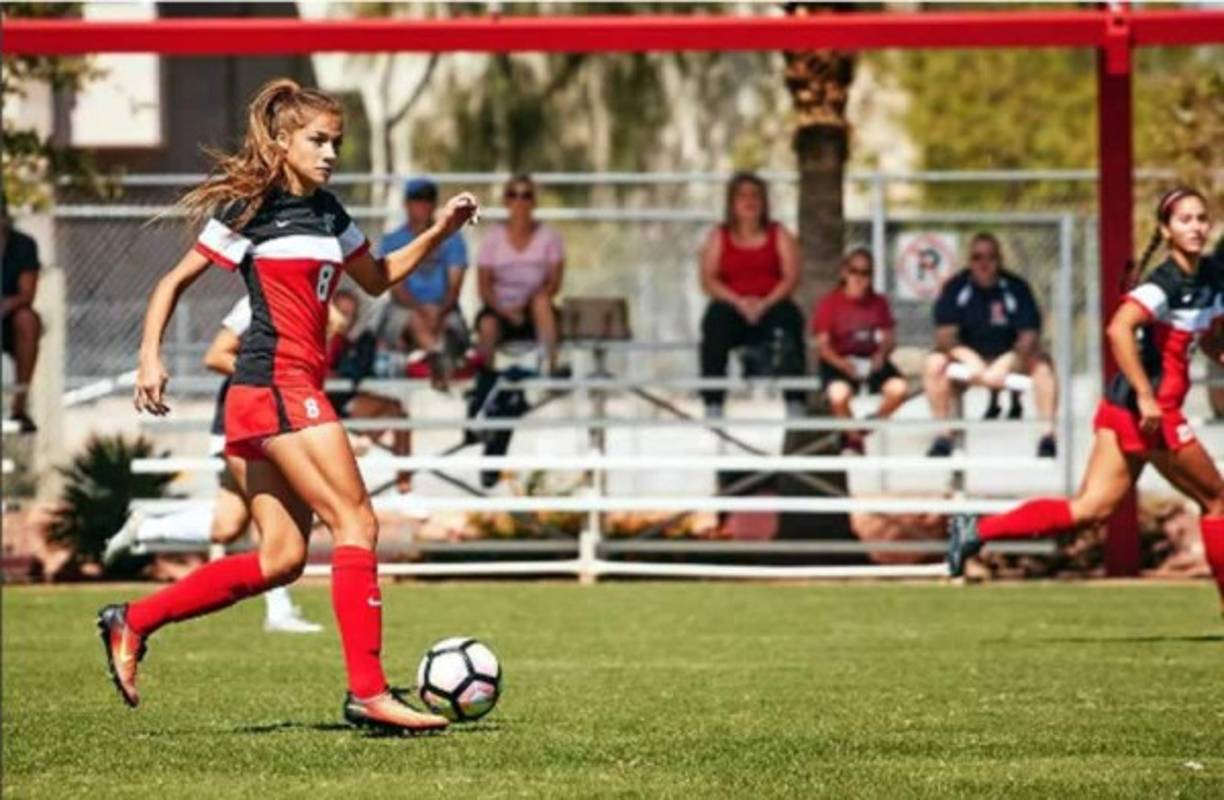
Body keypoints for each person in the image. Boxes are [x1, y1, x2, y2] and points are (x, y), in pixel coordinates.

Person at [95, 78, 478, 733]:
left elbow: (378, 279)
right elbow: (172, 282)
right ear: (282, 141)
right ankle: (369, 692)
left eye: (336, 142)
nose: (330, 152)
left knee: (282, 560)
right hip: (274, 385)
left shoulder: (330, 213)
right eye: (318, 140)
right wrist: (150, 356)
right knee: (357, 523)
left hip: (280, 391)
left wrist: (441, 231)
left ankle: (134, 621)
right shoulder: (252, 211)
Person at [947, 188, 1224, 619]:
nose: (1196, 227)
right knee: (1218, 503)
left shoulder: (1208, 276)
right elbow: (1119, 330)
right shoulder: (1165, 281)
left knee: (1089, 509)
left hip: (1123, 409)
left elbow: (1201, 334)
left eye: (1201, 218)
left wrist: (1216, 350)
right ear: (1166, 231)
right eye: (1185, 220)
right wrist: (1148, 397)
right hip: (1152, 413)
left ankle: (978, 529)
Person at [103, 295, 323, 634]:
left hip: (273, 414)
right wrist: (271, 381)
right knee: (276, 520)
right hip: (251, 418)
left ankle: (146, 529)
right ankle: (279, 611)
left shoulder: (310, 290)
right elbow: (217, 354)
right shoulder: (261, 294)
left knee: (227, 525)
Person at [922, 232, 1058, 458]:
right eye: (977, 257)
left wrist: (1005, 364)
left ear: (999, 259)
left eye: (990, 257)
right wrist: (969, 359)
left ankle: (1047, 436)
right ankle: (943, 436)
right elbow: (945, 336)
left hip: (1010, 359)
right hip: (967, 362)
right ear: (969, 261)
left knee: (1043, 365)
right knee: (933, 362)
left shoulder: (1015, 288)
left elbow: (1029, 335)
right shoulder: (957, 288)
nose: (983, 263)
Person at [698, 172, 804, 415]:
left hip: (771, 306)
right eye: (742, 196)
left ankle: (795, 402)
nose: (749, 201)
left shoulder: (779, 233)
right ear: (732, 203)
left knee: (789, 317)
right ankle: (713, 403)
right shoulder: (719, 236)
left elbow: (791, 276)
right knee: (715, 319)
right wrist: (739, 302)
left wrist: (764, 303)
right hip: (734, 309)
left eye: (755, 195)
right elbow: (708, 279)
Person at [810, 248, 909, 454]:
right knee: (838, 394)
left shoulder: (878, 303)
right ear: (844, 272)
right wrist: (841, 364)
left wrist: (881, 355)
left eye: (865, 273)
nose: (859, 278)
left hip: (869, 361)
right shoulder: (830, 303)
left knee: (898, 388)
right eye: (854, 271)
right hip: (840, 361)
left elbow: (888, 338)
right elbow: (823, 346)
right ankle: (853, 438)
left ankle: (865, 428)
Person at [377, 177, 470, 389]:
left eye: (428, 199)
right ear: (406, 203)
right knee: (412, 319)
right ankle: (440, 363)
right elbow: (395, 287)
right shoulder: (392, 241)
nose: (422, 204)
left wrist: (438, 311)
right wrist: (422, 310)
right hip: (406, 311)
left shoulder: (453, 239)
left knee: (449, 327)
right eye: (417, 198)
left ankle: (435, 361)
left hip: (443, 310)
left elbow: (454, 288)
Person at [325, 288, 415, 493]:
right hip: (316, 407)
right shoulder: (317, 338)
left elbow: (355, 373)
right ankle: (361, 444)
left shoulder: (357, 341)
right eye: (341, 313)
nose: (345, 320)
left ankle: (404, 484)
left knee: (399, 413)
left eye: (349, 314)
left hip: (342, 401)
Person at [475, 174, 565, 374]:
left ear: (534, 201)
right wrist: (504, 309)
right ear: (506, 201)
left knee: (542, 302)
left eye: (526, 195)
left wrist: (527, 304)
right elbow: (484, 287)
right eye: (513, 194)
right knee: (487, 324)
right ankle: (485, 381)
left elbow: (554, 283)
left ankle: (552, 368)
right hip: (500, 309)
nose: (519, 201)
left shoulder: (550, 237)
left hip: (535, 310)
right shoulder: (492, 238)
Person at [1, 207, 42, 433]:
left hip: (8, 319)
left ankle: (20, 403)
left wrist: (5, 305)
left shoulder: (22, 246)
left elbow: (27, 294)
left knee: (28, 319)